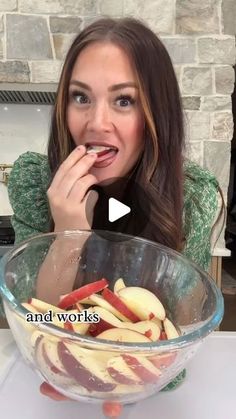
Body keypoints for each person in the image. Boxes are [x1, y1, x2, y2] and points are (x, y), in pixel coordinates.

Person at [6, 17, 224, 400]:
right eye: (81, 97)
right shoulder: (33, 179)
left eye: (124, 101)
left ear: (157, 115)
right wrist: (68, 233)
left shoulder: (190, 196)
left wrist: (111, 381)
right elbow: (39, 324)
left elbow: (174, 349)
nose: (96, 122)